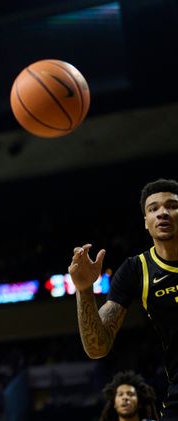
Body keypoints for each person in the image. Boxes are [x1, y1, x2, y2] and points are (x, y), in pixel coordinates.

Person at [70, 179, 178, 420]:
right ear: (146, 224)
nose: (162, 213)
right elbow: (98, 347)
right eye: (153, 209)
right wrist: (84, 289)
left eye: (171, 205)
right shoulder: (135, 270)